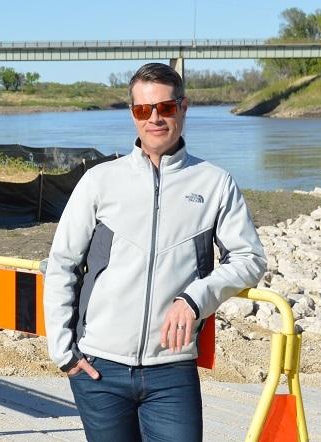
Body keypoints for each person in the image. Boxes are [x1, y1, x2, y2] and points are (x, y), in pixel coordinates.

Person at [43, 62, 267, 441]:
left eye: (164, 107)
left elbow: (249, 258)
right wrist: (64, 353)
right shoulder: (100, 180)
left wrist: (196, 299)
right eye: (142, 110)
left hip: (171, 370)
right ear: (133, 114)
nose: (154, 119)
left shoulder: (215, 183)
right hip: (99, 367)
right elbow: (63, 263)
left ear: (183, 107)